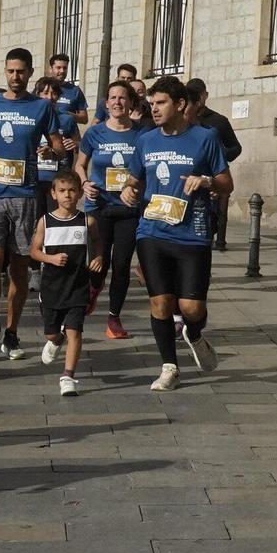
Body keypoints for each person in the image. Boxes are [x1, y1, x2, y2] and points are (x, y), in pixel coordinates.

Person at [121, 76, 233, 390]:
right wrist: (128, 190)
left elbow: (227, 183)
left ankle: (194, 334)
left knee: (191, 308)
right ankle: (169, 367)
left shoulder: (205, 137)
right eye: (151, 104)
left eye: (160, 103)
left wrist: (207, 181)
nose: (154, 109)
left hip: (192, 234)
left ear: (180, 104)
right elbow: (133, 179)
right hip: (152, 231)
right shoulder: (145, 140)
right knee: (160, 303)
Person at [0, 48, 54, 361]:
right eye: (10, 71)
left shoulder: (41, 107)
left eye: (21, 71)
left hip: (25, 195)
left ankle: (12, 332)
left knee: (19, 269)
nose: (15, 77)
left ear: (30, 73)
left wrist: (53, 151)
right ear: (4, 71)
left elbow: (57, 145)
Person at [78, 80, 146, 341]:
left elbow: (147, 169)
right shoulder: (94, 133)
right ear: (106, 104)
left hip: (128, 208)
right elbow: (80, 164)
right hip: (99, 206)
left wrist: (137, 187)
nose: (117, 102)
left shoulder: (142, 134)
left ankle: (114, 317)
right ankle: (94, 289)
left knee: (121, 264)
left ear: (131, 103)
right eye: (113, 98)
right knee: (99, 261)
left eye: (122, 97)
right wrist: (84, 183)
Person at [31, 168, 100, 397]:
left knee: (75, 332)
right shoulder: (45, 222)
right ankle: (56, 339)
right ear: (53, 194)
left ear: (80, 193)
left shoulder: (87, 221)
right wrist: (50, 258)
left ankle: (68, 376)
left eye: (72, 190)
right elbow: (34, 251)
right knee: (51, 334)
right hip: (51, 288)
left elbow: (98, 241)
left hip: (77, 287)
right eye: (62, 190)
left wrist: (99, 257)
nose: (67, 195)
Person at [185, 78, 244, 251]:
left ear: (205, 96)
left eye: (200, 95)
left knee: (217, 213)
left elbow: (236, 147)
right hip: (188, 178)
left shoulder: (218, 121)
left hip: (215, 175)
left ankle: (219, 241)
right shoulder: (179, 122)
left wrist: (218, 155)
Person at [46, 54, 90, 128]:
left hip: (68, 133)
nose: (62, 71)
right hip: (46, 133)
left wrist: (70, 115)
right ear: (50, 69)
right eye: (58, 68)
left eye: (65, 68)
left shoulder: (75, 90)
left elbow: (85, 119)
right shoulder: (42, 87)